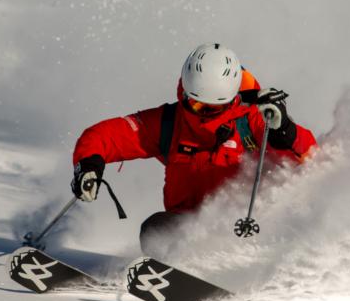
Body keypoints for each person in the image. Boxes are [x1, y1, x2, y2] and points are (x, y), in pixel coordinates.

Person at [71, 43, 317, 250]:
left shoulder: (253, 120)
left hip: (248, 229)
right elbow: (107, 136)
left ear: (233, 99)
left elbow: (310, 157)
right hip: (187, 230)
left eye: (214, 107)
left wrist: (284, 129)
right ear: (185, 92)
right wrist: (89, 164)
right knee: (154, 229)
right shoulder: (169, 123)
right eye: (197, 104)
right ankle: (174, 276)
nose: (204, 114)